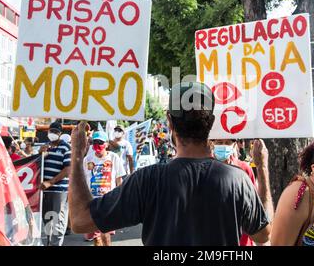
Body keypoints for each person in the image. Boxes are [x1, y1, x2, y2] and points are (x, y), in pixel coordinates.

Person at [68, 82, 271, 245]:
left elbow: (80, 220)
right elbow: (263, 235)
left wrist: (77, 156)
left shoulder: (146, 180)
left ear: (170, 122)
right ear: (211, 122)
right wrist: (262, 169)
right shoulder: (237, 180)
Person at [211, 138, 274, 246]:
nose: (224, 146)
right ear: (212, 144)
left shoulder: (244, 169)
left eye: (227, 142)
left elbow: (255, 206)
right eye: (219, 143)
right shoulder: (204, 169)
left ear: (234, 144)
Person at [83, 131, 126, 246]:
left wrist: (120, 199)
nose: (97, 145)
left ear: (106, 144)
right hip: (92, 202)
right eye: (94, 142)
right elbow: (83, 181)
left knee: (105, 236)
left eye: (100, 142)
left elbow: (119, 180)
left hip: (108, 201)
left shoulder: (114, 158)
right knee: (96, 237)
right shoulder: (87, 159)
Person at [39, 121, 71, 246]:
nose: (53, 134)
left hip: (59, 190)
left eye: (56, 132)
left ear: (60, 134)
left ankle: (55, 244)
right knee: (47, 219)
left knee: (58, 220)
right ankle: (49, 243)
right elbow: (37, 164)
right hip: (45, 190)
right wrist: (40, 154)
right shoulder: (45, 146)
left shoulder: (66, 148)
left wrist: (50, 182)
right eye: (51, 131)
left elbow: (68, 169)